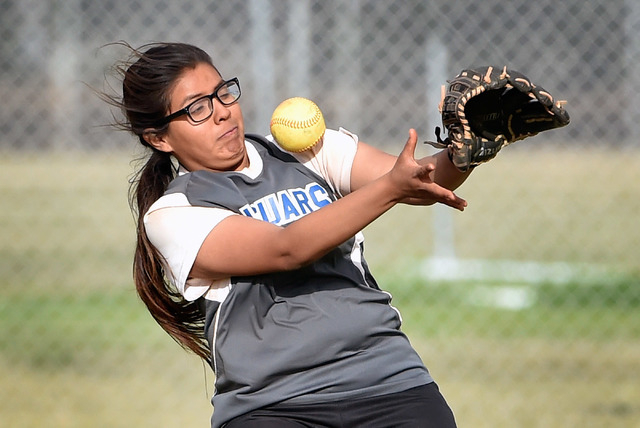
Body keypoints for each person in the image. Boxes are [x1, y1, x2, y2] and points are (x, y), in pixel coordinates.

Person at [106, 41, 472, 428]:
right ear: (159, 139)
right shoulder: (173, 213)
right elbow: (287, 249)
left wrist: (470, 145)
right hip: (273, 405)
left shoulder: (306, 151)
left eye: (223, 93)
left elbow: (422, 180)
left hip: (386, 379)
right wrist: (389, 188)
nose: (222, 113)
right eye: (198, 108)